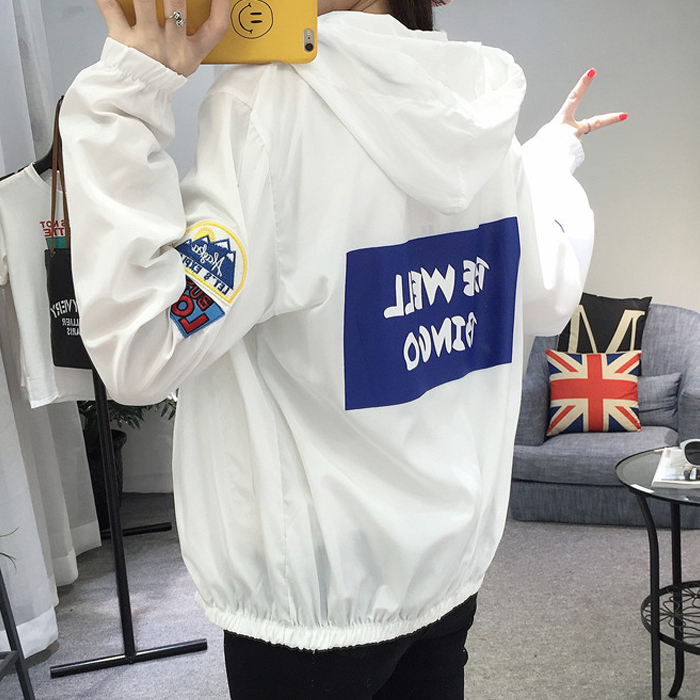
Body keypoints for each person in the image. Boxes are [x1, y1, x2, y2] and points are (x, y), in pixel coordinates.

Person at [60, 0, 627, 697]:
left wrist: (126, 99)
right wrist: (551, 160)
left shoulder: (267, 112)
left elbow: (144, 346)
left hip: (314, 594)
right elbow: (545, 293)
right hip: (446, 565)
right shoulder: (478, 118)